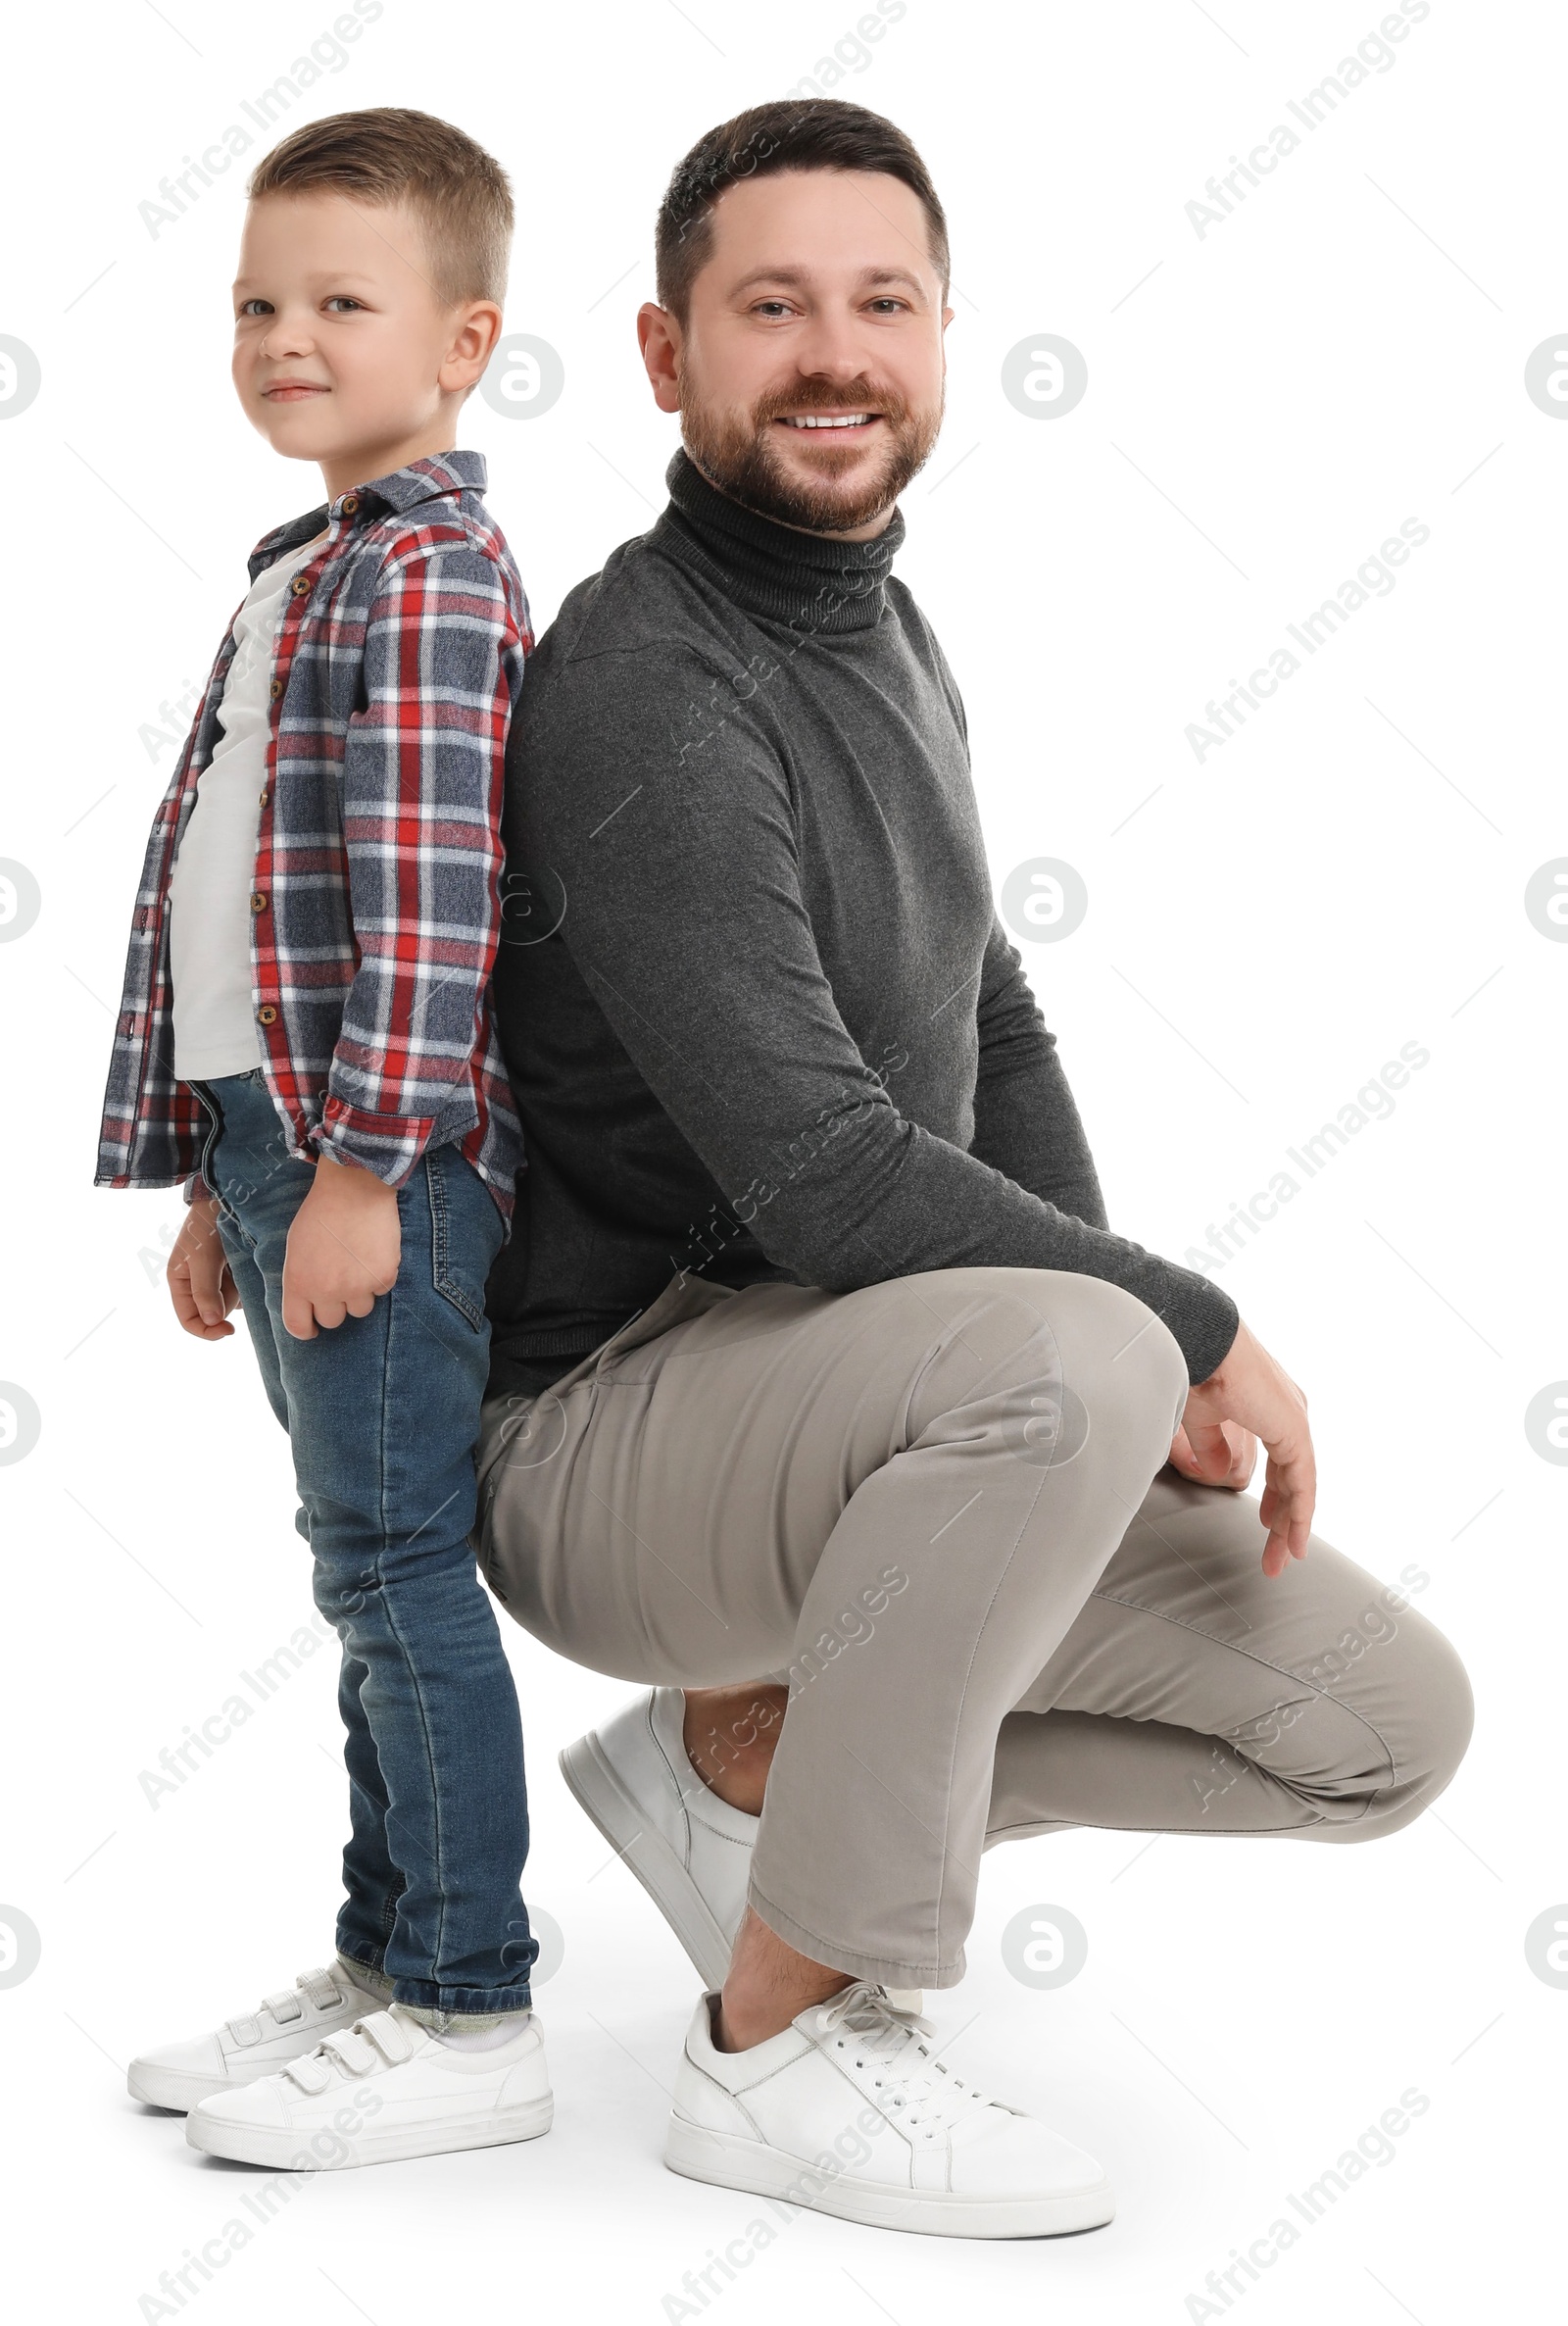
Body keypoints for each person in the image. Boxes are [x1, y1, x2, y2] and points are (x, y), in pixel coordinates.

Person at [475, 97, 1474, 2237]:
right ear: (663, 357)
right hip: (603, 1440)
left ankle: (734, 1766)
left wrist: (1139, 1361)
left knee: (1377, 1721)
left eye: (881, 302)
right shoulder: (648, 673)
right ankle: (777, 2037)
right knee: (1080, 1360)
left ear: (939, 339)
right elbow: (830, 1169)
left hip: (867, 1415)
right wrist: (1170, 1323)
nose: (834, 354)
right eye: (770, 307)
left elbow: (986, 1018)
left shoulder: (882, 628)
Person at [94, 108, 552, 2170]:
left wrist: (365, 1163)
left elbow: (438, 897)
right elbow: (241, 904)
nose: (287, 334)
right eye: (258, 303)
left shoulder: (435, 573)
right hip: (286, 1146)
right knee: (354, 1567)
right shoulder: (314, 565)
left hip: (384, 1153)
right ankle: (381, 1960)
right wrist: (222, 1175)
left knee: (393, 1562)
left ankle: (467, 2003)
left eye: (338, 302)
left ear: (462, 341)